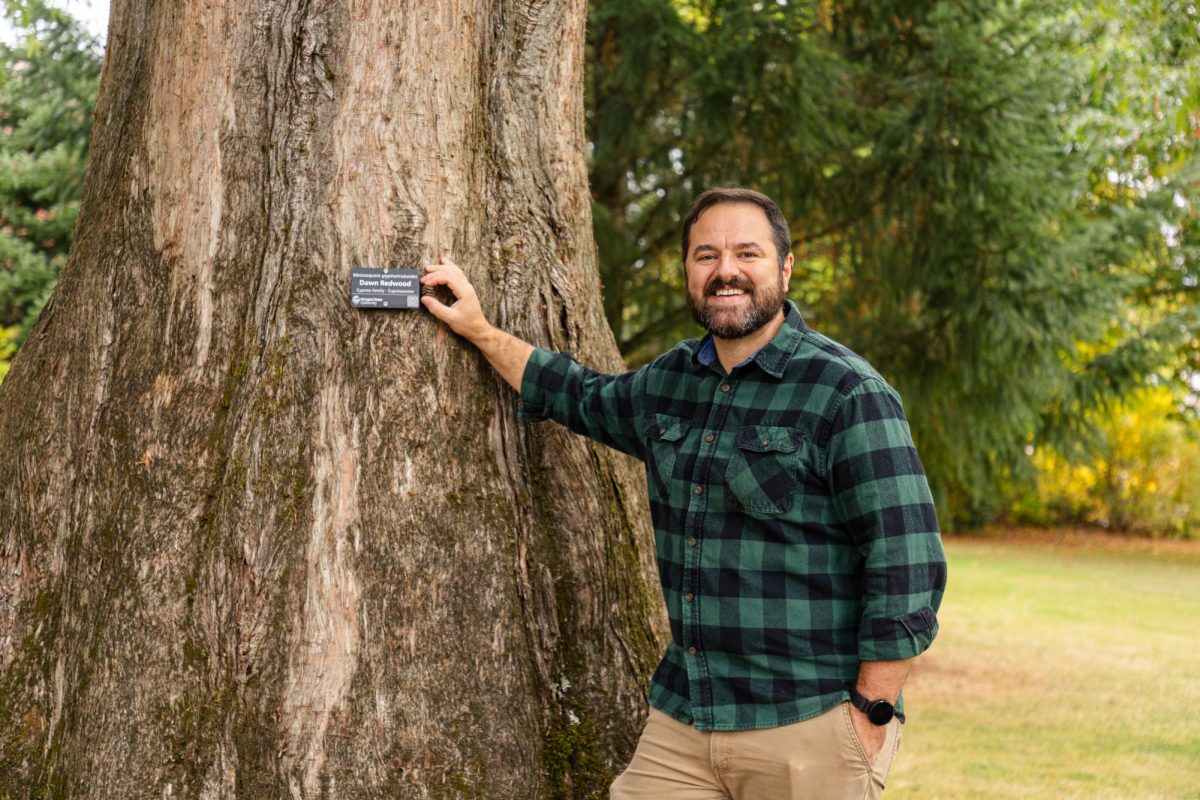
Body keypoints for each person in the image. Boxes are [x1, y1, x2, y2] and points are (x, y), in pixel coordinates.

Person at [419, 187, 947, 800]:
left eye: (746, 253)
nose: (726, 270)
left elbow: (907, 562)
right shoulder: (672, 381)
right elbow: (577, 394)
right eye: (706, 255)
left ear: (785, 267)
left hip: (810, 723)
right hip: (684, 725)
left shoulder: (846, 392)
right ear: (690, 273)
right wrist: (481, 332)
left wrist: (872, 714)